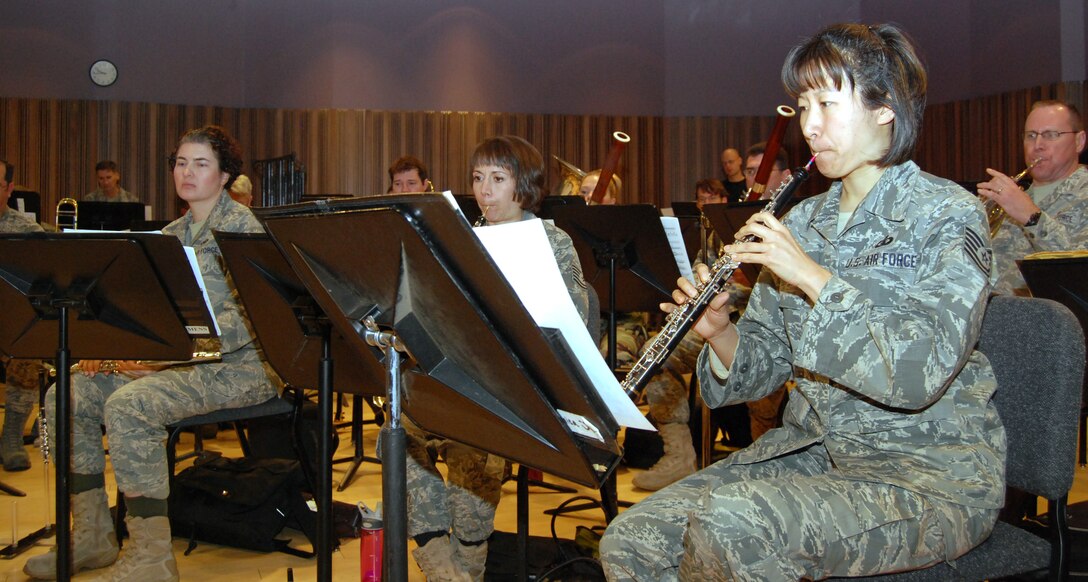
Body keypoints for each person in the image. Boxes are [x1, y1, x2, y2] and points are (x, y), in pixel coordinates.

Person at [600, 22, 1004, 580]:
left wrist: (814, 278)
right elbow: (761, 367)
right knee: (631, 539)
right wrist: (719, 331)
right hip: (813, 454)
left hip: (927, 475)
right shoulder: (804, 221)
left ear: (885, 107)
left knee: (734, 527)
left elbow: (920, 375)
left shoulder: (948, 215)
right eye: (803, 105)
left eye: (827, 104)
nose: (809, 127)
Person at [24, 126, 279, 582]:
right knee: (67, 395)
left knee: (130, 405)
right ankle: (92, 535)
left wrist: (161, 360)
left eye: (200, 164)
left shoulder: (245, 231)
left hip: (242, 368)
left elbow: (245, 324)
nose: (187, 172)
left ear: (224, 176)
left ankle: (150, 558)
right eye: (181, 162)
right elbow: (147, 311)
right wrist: (121, 352)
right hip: (176, 361)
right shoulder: (169, 233)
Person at [406, 135, 589, 581]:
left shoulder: (552, 241)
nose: (484, 190)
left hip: (522, 388)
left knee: (473, 444)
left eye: (498, 179)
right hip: (466, 375)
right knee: (398, 429)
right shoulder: (466, 237)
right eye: (477, 178)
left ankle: (467, 560)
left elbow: (572, 327)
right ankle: (438, 558)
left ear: (522, 187)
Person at [977, 100, 1088, 296]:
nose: (1038, 145)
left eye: (1050, 135)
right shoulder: (1008, 198)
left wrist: (1032, 217)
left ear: (1079, 141)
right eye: (1031, 136)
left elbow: (1079, 276)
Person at [0, 158, 44, 472]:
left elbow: (41, 284)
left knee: (30, 348)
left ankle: (12, 436)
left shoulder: (26, 230)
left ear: (9, 188)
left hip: (10, 323)